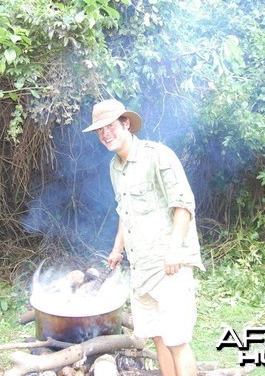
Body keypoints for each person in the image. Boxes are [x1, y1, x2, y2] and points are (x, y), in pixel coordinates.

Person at [82, 98, 205, 376]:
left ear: (126, 124)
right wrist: (117, 249)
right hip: (141, 268)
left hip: (167, 266)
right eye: (100, 131)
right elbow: (125, 213)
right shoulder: (115, 167)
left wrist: (174, 250)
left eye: (110, 126)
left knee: (177, 341)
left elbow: (183, 204)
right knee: (159, 338)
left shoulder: (157, 155)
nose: (105, 135)